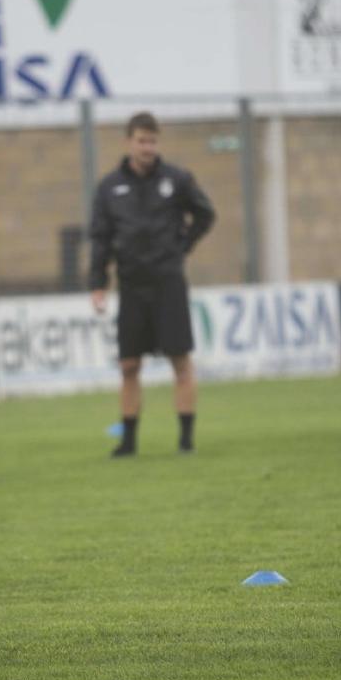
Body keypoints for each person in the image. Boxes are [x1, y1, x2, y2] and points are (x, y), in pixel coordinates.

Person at [89, 112, 216, 457]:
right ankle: (128, 442)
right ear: (129, 142)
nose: (148, 147)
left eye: (153, 141)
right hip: (131, 285)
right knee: (129, 365)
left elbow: (205, 214)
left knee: (180, 361)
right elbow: (100, 239)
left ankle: (186, 441)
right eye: (142, 141)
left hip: (168, 282)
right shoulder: (109, 187)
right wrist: (98, 283)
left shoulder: (177, 179)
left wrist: (182, 245)